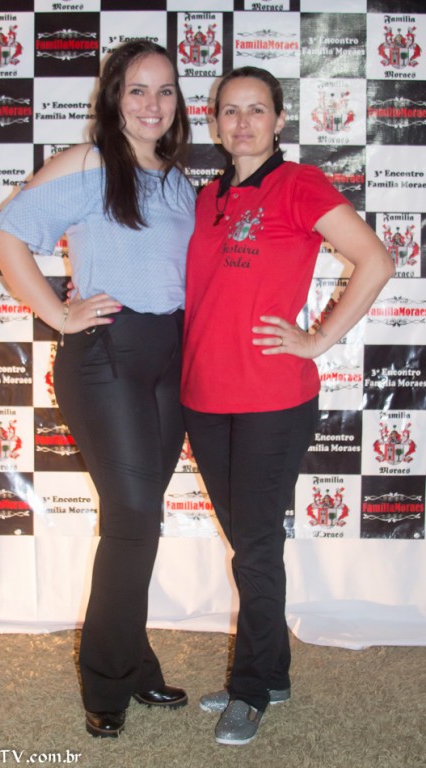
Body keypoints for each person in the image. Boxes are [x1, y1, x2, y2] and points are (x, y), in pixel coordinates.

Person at [0, 40, 195, 738]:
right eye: (137, 89)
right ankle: (106, 682)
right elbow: (6, 236)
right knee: (132, 518)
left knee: (141, 519)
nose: (152, 104)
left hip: (169, 356)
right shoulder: (88, 163)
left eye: (165, 90)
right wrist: (59, 313)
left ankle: (133, 663)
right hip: (107, 354)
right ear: (113, 97)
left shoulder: (177, 180)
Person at [181, 66, 395, 746]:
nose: (243, 122)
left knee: (254, 548)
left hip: (272, 399)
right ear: (215, 122)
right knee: (250, 544)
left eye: (257, 109)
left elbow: (376, 260)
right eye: (230, 110)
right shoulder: (205, 197)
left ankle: (250, 690)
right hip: (203, 398)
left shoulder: (299, 185)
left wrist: (318, 339)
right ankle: (270, 673)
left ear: (278, 120)